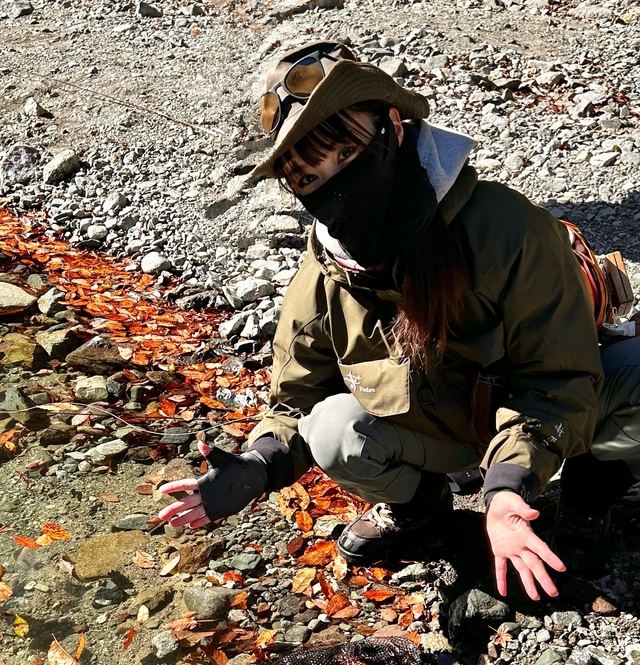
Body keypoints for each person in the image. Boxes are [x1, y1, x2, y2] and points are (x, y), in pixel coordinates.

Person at [157, 41, 640, 602]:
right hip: (442, 434)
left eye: (346, 152)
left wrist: (509, 488)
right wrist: (257, 465)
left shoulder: (505, 229)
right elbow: (296, 402)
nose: (337, 183)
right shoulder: (323, 277)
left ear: (392, 126)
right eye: (310, 178)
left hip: (540, 418)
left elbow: (559, 381)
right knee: (332, 429)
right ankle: (419, 508)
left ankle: (587, 501)